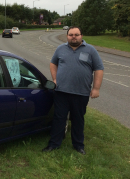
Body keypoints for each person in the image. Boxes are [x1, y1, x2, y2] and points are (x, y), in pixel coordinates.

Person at [42, 26, 104, 155]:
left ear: (81, 36)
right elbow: (53, 63)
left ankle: (78, 145)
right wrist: (54, 79)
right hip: (61, 92)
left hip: (81, 93)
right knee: (59, 118)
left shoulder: (90, 50)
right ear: (67, 36)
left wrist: (96, 88)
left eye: (76, 34)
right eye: (71, 35)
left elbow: (99, 69)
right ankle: (54, 144)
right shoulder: (61, 49)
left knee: (78, 119)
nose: (73, 37)